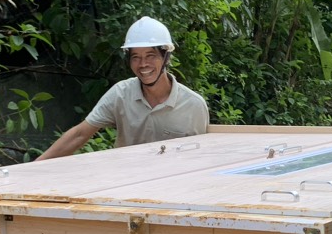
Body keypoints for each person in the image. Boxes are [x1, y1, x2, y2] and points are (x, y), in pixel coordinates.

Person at [37, 16, 208, 158]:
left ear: (166, 57)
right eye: (136, 57)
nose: (143, 64)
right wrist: (33, 168)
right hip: (125, 181)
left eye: (151, 55)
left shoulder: (193, 105)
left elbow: (202, 157)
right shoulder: (120, 94)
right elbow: (80, 134)